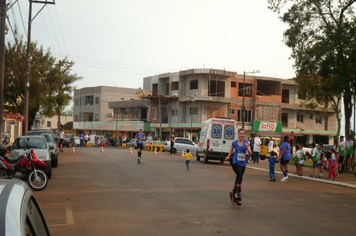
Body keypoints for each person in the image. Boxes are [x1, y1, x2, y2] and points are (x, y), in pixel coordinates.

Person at [225, 128, 252, 206]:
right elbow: (231, 150)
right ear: (238, 134)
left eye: (243, 134)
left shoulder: (247, 143)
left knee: (239, 177)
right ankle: (238, 194)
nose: (242, 135)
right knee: (240, 175)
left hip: (243, 163)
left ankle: (234, 191)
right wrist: (228, 156)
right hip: (235, 162)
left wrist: (247, 148)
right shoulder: (234, 143)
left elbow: (250, 153)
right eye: (241, 133)